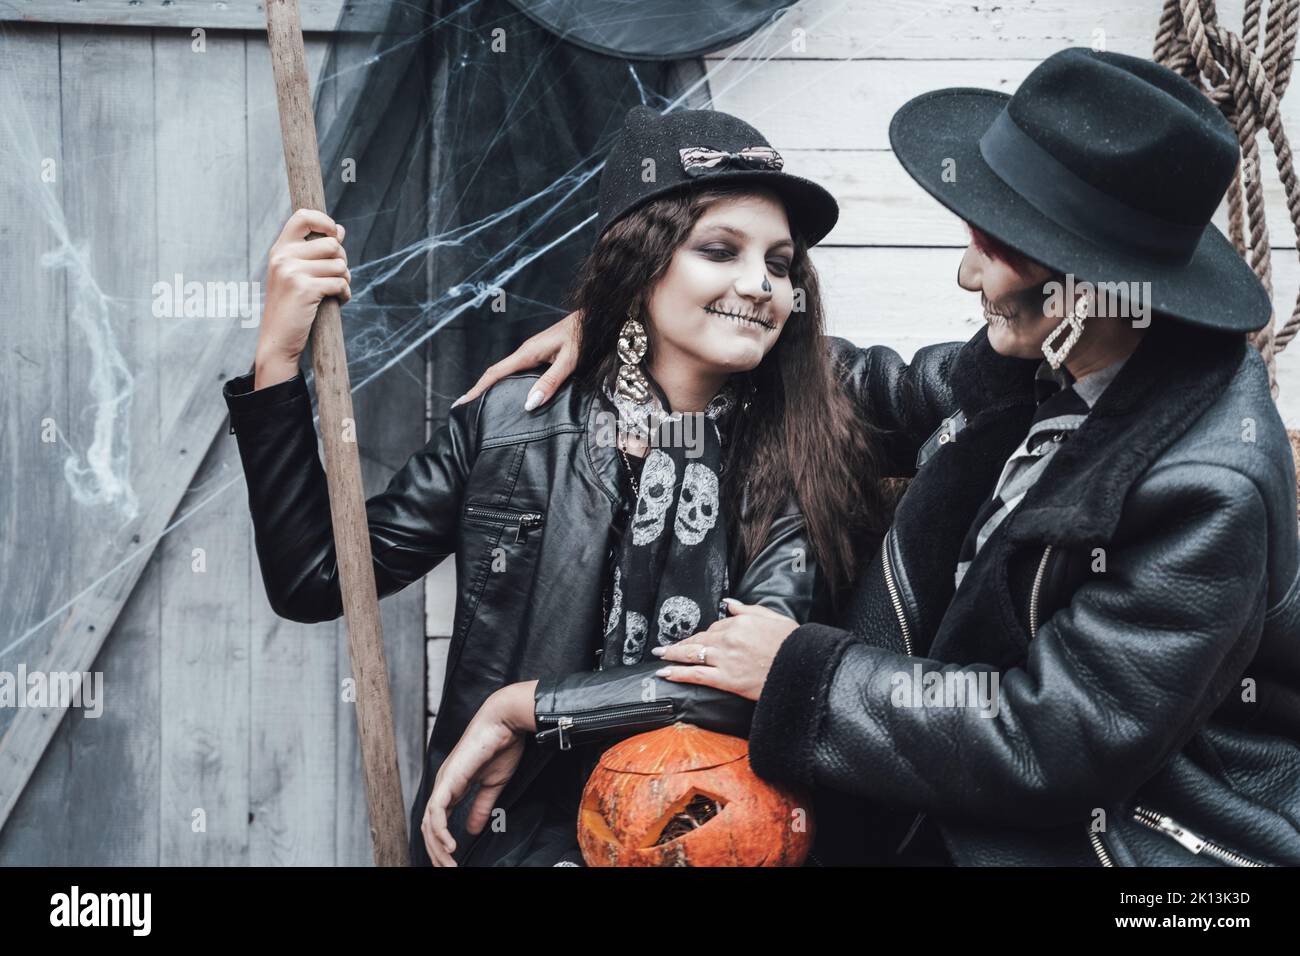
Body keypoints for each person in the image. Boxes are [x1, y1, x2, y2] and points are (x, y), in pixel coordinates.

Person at [462, 49, 1300, 866]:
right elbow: (860, 387)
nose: (968, 275)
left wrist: (801, 672)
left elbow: (1052, 741)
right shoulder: (1045, 363)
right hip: (929, 796)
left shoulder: (1206, 487)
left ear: (1086, 281)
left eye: (994, 250)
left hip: (1119, 842)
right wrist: (633, 325)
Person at [222, 105, 887, 866]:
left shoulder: (802, 440)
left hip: (716, 836)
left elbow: (749, 672)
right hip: (509, 837)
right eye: (719, 250)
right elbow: (315, 579)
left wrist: (528, 710)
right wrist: (277, 360)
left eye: (779, 263)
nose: (760, 284)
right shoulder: (513, 420)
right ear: (642, 261)